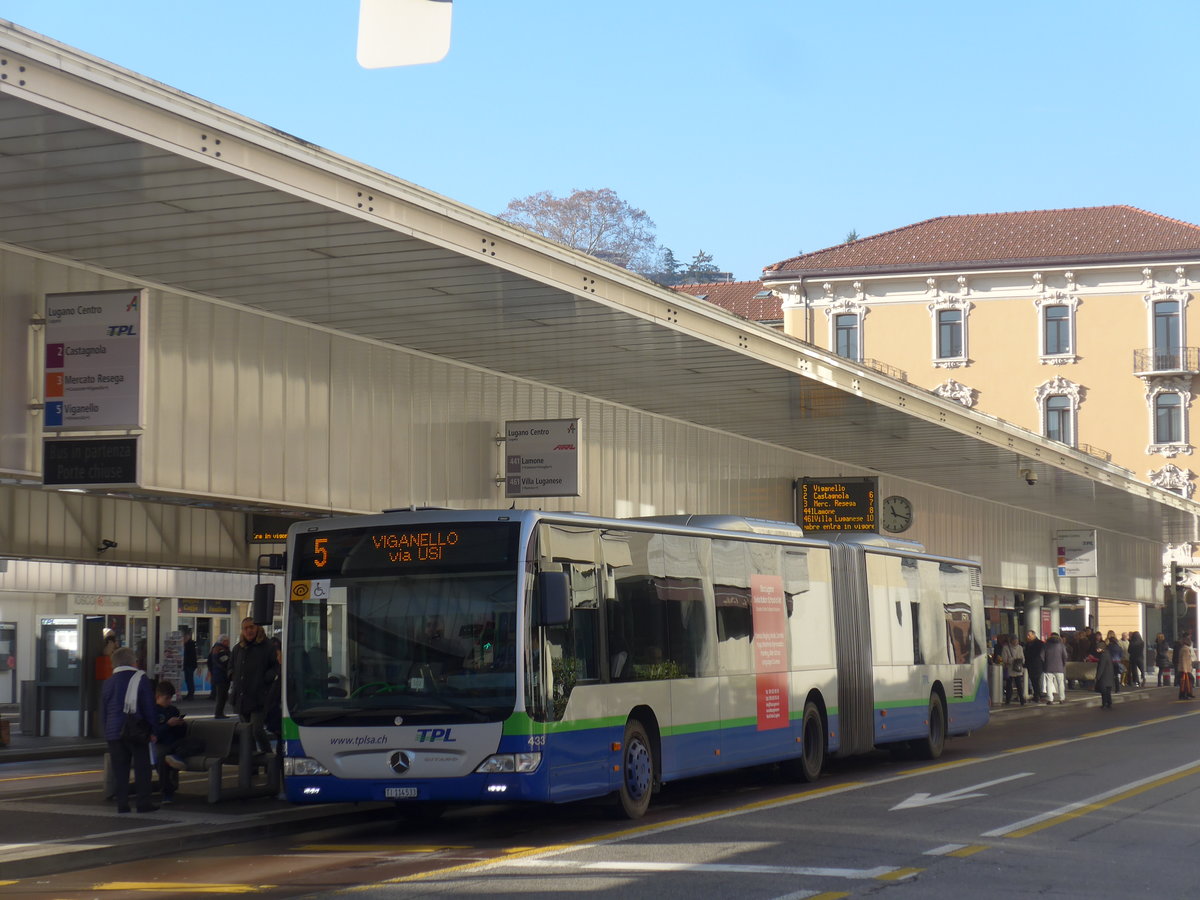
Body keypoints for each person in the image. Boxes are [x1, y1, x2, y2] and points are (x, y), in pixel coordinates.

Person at [100, 645, 158, 813]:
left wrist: (107, 731)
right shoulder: (141, 679)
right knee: (142, 767)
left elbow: (104, 711)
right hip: (136, 731)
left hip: (113, 732)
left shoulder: (108, 683)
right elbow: (148, 707)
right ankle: (143, 803)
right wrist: (153, 730)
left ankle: (122, 804)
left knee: (120, 769)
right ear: (133, 661)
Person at [230, 617, 278, 753]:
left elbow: (275, 666)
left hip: (259, 697)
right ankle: (251, 762)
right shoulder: (238, 648)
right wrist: (232, 675)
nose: (249, 630)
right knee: (247, 733)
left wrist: (266, 678)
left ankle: (268, 757)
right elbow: (230, 665)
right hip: (241, 697)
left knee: (257, 730)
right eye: (245, 628)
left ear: (258, 628)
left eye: (251, 627)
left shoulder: (267, 646)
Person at [152, 680, 203, 802]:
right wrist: (168, 725)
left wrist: (180, 725)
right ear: (158, 697)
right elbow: (155, 734)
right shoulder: (153, 711)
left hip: (176, 742)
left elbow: (181, 734)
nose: (169, 702)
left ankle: (176, 756)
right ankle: (167, 792)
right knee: (162, 758)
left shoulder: (173, 710)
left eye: (171, 699)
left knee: (199, 743)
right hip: (161, 743)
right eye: (167, 699)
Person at [207, 634, 232, 718]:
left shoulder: (215, 649)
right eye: (227, 641)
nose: (228, 642)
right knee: (222, 695)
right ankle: (218, 713)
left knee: (221, 695)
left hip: (218, 675)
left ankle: (219, 712)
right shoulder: (221, 650)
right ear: (223, 641)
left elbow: (209, 662)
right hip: (222, 675)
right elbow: (225, 662)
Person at [1041, 632, 1068, 704]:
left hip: (1048, 667)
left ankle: (1050, 699)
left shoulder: (1046, 645)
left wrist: (1045, 663)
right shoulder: (1061, 645)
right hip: (1059, 667)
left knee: (1049, 683)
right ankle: (1062, 698)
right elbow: (1065, 656)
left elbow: (1041, 656)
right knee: (1060, 684)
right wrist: (1063, 663)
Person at [1001, 633, 1025, 706]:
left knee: (1018, 686)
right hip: (1010, 669)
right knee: (1010, 686)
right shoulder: (1006, 648)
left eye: (1016, 640)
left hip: (1017, 669)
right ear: (1011, 641)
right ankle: (1009, 699)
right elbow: (1004, 659)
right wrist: (1015, 660)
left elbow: (1023, 658)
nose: (1015, 642)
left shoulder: (1020, 648)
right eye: (1014, 640)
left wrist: (1017, 660)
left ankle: (1021, 699)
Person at [1023, 630, 1045, 702]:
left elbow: (1038, 654)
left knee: (1036, 680)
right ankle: (1036, 694)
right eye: (1027, 635)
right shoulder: (1028, 644)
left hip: (1037, 664)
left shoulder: (1039, 644)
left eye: (1029, 635)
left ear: (1034, 635)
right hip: (1030, 664)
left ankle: (1037, 695)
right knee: (1033, 681)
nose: (1028, 637)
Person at [1094, 640, 1115, 709]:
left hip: (1104, 676)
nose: (1097, 650)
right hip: (1109, 675)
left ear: (1102, 648)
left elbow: (1101, 667)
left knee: (1103, 691)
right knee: (1108, 691)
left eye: (1098, 648)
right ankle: (1109, 703)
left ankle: (1104, 704)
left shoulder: (1103, 656)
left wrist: (1097, 677)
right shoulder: (1107, 654)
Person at [181, 626, 198, 701]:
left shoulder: (189, 645)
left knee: (189, 679)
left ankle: (191, 694)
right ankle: (190, 693)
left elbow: (189, 656)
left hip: (189, 665)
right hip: (189, 665)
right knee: (188, 679)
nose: (183, 639)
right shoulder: (189, 645)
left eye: (184, 637)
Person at [1178, 632, 1195, 700]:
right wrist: (1185, 670)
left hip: (1185, 668)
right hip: (1185, 669)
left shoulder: (1185, 648)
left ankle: (1187, 693)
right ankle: (1185, 694)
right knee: (1187, 681)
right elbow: (1184, 660)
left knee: (1185, 682)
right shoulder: (1185, 649)